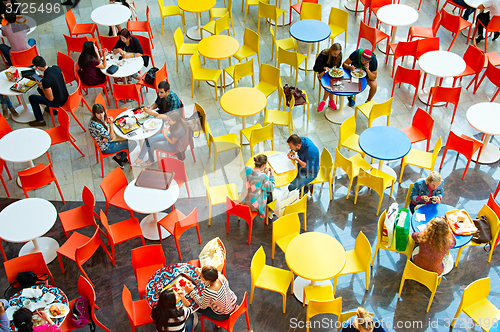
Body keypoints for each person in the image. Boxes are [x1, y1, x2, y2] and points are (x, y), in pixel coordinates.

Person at [89, 103, 136, 168]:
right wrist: (111, 125)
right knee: (133, 143)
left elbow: (106, 127)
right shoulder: (97, 125)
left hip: (105, 141)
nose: (101, 115)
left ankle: (118, 157)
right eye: (98, 114)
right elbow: (111, 137)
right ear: (94, 114)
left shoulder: (95, 120)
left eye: (102, 112)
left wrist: (108, 133)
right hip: (107, 147)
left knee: (126, 138)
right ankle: (121, 158)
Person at [28, 56, 69, 127]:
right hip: (65, 96)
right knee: (39, 90)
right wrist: (44, 79)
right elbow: (60, 79)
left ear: (38, 67)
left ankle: (40, 120)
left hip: (58, 102)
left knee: (32, 98)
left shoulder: (46, 80)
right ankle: (51, 110)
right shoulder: (56, 68)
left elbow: (50, 98)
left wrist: (41, 86)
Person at [240, 154, 275, 218]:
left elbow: (241, 176)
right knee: (269, 192)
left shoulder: (247, 168)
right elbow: (272, 187)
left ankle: (269, 212)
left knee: (261, 188)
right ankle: (269, 212)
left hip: (243, 199)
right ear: (263, 165)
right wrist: (271, 175)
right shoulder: (263, 176)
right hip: (254, 205)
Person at [313, 43, 343, 112]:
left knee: (332, 83)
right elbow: (315, 68)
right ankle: (330, 101)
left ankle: (325, 101)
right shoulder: (323, 55)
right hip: (322, 73)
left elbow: (338, 66)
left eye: (338, 54)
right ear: (331, 50)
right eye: (335, 54)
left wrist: (334, 69)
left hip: (332, 74)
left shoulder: (339, 55)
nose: (336, 56)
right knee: (329, 84)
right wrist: (324, 68)